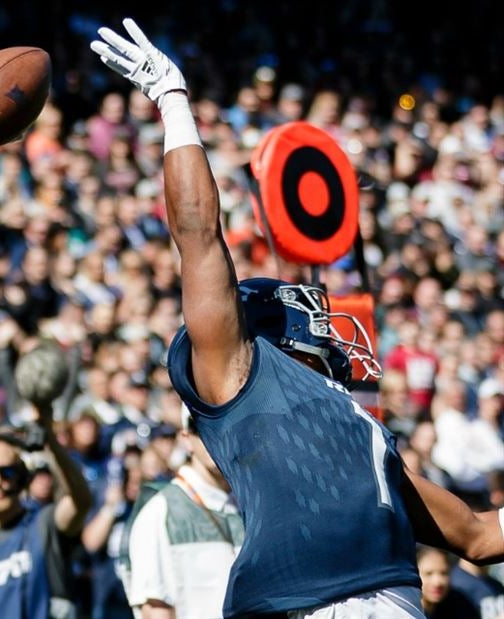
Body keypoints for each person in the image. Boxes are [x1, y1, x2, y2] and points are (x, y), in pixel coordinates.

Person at [92, 17, 504, 618]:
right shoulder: (239, 376)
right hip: (300, 606)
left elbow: (479, 535)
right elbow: (200, 238)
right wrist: (174, 105)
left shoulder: (365, 430)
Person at [0, 344, 93, 619]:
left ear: (23, 477)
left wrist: (50, 440)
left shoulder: (44, 524)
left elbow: (80, 501)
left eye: (7, 471)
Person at [124, 410, 243, 619]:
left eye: (227, 425)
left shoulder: (251, 505)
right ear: (186, 439)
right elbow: (155, 611)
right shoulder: (160, 511)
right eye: (203, 427)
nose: (216, 435)